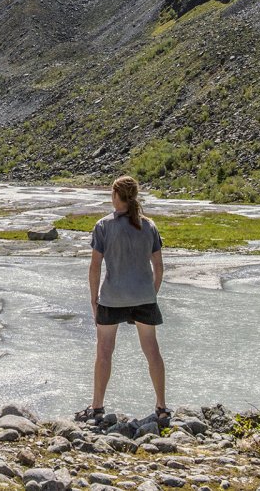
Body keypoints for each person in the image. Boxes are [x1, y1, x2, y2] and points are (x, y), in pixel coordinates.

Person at [75, 174, 168, 426]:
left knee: (104, 352)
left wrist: (94, 299)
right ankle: (161, 407)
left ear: (117, 196)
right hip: (144, 296)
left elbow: (95, 267)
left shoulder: (103, 226)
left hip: (112, 297)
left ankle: (97, 408)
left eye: (111, 194)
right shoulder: (149, 226)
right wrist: (152, 293)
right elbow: (159, 267)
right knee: (152, 351)